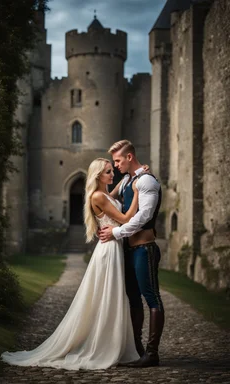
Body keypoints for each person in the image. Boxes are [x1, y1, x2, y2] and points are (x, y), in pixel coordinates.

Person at [1, 158, 141, 370]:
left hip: (113, 246)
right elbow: (124, 218)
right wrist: (139, 191)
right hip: (109, 250)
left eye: (112, 171)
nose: (113, 175)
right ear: (98, 176)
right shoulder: (97, 196)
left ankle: (112, 343)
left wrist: (131, 178)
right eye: (108, 172)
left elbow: (112, 199)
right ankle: (103, 346)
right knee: (107, 296)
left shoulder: (104, 195)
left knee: (112, 296)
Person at [99, 140, 165, 368]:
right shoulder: (129, 179)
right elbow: (110, 199)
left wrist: (116, 232)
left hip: (144, 249)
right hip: (129, 250)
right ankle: (137, 349)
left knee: (152, 297)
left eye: (117, 160)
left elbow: (143, 217)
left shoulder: (146, 181)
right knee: (133, 299)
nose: (115, 166)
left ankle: (152, 353)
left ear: (129, 157)